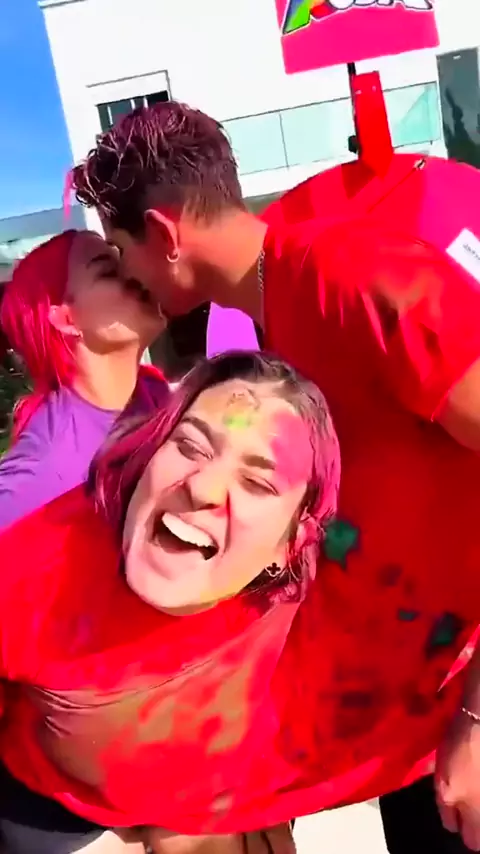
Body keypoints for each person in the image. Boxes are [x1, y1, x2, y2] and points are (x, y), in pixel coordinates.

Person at [71, 101, 480, 853]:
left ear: (163, 235)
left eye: (121, 250)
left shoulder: (354, 276)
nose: (127, 274)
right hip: (410, 723)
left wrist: (478, 720)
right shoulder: (279, 318)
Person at [0, 351, 339, 854]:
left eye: (257, 482)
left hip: (217, 805)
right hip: (55, 814)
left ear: (291, 543)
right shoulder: (39, 570)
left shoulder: (320, 611)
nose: (202, 487)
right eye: (189, 445)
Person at [0, 229, 168, 530]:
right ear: (67, 319)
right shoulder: (46, 468)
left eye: (123, 259)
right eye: (108, 271)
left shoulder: (153, 392)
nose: (133, 272)